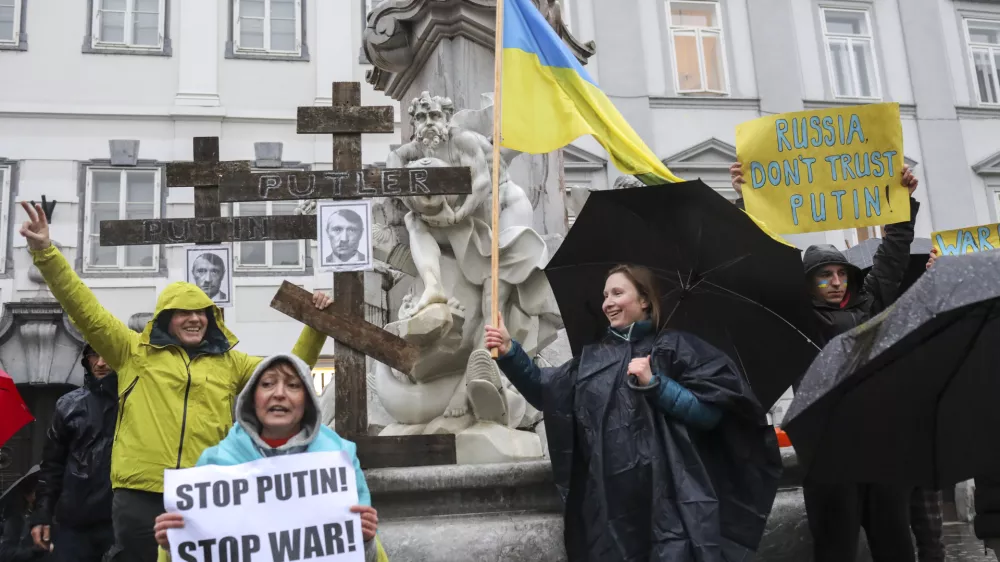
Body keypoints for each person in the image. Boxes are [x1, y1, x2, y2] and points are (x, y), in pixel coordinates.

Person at [19, 201, 334, 562]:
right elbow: (83, 307)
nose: (194, 319)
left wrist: (316, 326)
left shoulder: (231, 363)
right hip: (141, 495)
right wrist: (45, 252)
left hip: (208, 491)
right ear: (166, 318)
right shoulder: (131, 351)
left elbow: (288, 374)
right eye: (184, 312)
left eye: (201, 312)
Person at [484, 264, 781, 561]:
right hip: (609, 511)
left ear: (644, 301)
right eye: (604, 295)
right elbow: (544, 390)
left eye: (617, 292)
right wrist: (510, 351)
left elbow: (709, 414)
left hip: (671, 503)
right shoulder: (590, 360)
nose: (607, 302)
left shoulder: (676, 349)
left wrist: (656, 384)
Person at [731, 163, 921, 562]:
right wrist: (747, 202)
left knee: (896, 543)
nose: (836, 282)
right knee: (836, 546)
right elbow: (752, 262)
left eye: (840, 274)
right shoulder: (797, 316)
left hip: (882, 445)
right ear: (807, 284)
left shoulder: (872, 301)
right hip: (828, 451)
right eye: (824, 276)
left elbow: (894, 250)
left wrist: (901, 199)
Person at [152, 354, 388, 562]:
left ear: (307, 401)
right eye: (267, 384)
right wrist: (172, 544)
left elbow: (364, 555)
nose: (279, 394)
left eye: (294, 385)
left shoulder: (339, 462)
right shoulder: (214, 464)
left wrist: (365, 540)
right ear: (251, 399)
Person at [29, 344, 117, 562]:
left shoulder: (138, 401)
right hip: (75, 523)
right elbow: (51, 466)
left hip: (122, 518)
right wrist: (42, 515)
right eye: (94, 355)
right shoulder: (68, 405)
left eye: (107, 354)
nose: (101, 363)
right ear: (86, 360)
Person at [1, 488, 51, 562]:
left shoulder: (39, 516)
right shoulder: (15, 520)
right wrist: (32, 551)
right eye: (32, 493)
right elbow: (5, 553)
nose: (35, 496)